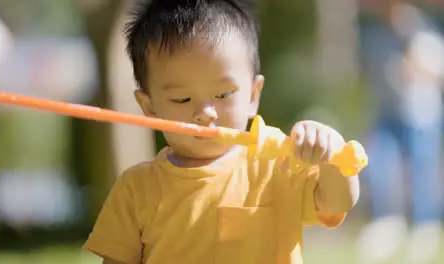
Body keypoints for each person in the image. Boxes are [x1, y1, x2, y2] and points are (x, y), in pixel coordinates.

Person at [83, 1, 360, 263]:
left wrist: (332, 154)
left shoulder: (278, 160)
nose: (206, 112)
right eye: (182, 99)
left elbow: (338, 200)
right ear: (149, 107)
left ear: (253, 95)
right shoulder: (136, 188)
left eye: (223, 94)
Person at [357, 0, 444, 262]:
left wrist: (417, 65)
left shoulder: (420, 29)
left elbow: (436, 70)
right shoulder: (372, 33)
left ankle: (425, 228)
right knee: (380, 167)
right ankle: (387, 224)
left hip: (420, 113)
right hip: (386, 112)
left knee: (422, 173)